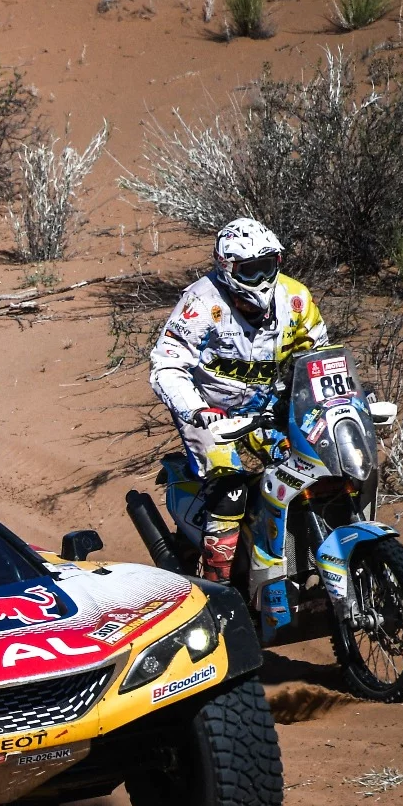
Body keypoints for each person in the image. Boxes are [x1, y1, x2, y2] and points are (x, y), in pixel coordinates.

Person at [149, 218, 328, 584]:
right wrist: (196, 409)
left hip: (264, 408)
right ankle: (222, 595)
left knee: (309, 472)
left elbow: (321, 355)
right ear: (228, 268)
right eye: (250, 270)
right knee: (230, 492)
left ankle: (301, 565)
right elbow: (166, 364)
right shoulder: (200, 302)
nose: (261, 278)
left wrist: (339, 392)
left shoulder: (296, 299)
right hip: (209, 412)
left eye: (268, 266)